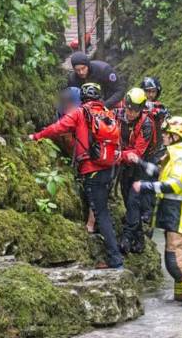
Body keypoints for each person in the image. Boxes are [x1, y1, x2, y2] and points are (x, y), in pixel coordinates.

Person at [30, 83, 123, 269]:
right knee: (103, 210)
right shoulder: (108, 113)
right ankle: (113, 255)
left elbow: (58, 127)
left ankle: (115, 260)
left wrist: (37, 136)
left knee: (101, 213)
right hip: (109, 167)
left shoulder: (80, 113)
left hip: (91, 168)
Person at [134, 117, 182, 303]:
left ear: (176, 136)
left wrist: (145, 186)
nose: (164, 137)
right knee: (174, 258)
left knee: (176, 260)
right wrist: (139, 163)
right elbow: (160, 173)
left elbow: (173, 185)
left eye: (167, 134)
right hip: (174, 212)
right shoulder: (175, 155)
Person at [115, 87, 156, 254]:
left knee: (133, 202)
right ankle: (139, 239)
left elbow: (138, 151)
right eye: (129, 108)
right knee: (127, 201)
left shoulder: (146, 124)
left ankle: (127, 238)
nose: (131, 112)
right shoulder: (117, 114)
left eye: (136, 110)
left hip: (140, 165)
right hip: (124, 164)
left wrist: (118, 154)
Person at [139, 76, 169, 223]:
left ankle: (149, 213)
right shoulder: (137, 106)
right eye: (147, 92)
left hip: (156, 152)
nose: (150, 95)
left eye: (153, 92)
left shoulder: (161, 108)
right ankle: (143, 211)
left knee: (151, 181)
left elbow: (167, 125)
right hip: (140, 150)